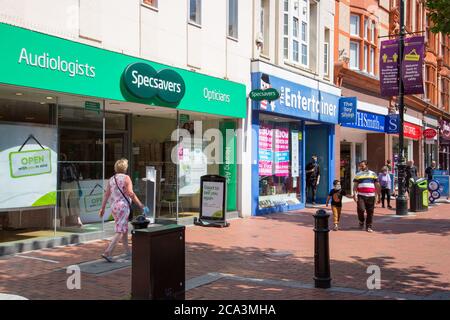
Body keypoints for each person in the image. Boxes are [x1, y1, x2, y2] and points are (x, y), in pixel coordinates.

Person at [99, 159, 148, 262]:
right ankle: (108, 252)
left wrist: (102, 208)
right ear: (125, 168)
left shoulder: (112, 179)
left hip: (114, 207)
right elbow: (131, 193)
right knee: (120, 230)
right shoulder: (126, 178)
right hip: (123, 207)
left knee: (123, 229)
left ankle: (127, 252)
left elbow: (106, 194)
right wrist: (141, 205)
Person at [353, 160, 381, 233]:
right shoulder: (358, 174)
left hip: (371, 196)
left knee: (370, 212)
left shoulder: (373, 174)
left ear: (366, 165)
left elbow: (377, 184)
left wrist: (378, 195)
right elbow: (355, 185)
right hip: (361, 196)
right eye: (360, 165)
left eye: (362, 165)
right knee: (361, 209)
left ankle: (369, 226)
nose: (361, 167)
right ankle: (361, 221)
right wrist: (354, 194)